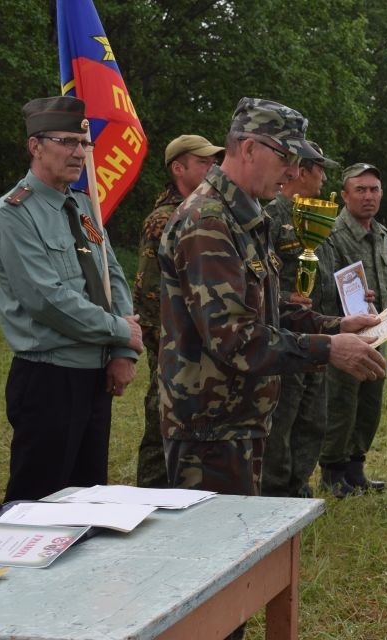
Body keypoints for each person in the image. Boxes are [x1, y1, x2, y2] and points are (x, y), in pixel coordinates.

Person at [158, 97, 386, 500]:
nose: (293, 171)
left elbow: (263, 308)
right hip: (211, 431)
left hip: (239, 421)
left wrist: (334, 325)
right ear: (248, 148)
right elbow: (235, 338)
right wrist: (328, 348)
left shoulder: (242, 215)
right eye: (285, 156)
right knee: (224, 553)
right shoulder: (209, 221)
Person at [0, 96, 143, 503]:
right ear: (35, 146)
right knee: (37, 501)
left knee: (88, 498)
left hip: (95, 375)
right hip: (49, 379)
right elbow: (45, 299)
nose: (79, 152)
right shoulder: (14, 212)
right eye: (67, 142)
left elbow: (113, 276)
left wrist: (123, 349)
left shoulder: (83, 206)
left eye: (83, 143)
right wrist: (118, 329)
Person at [133, 134, 223, 488]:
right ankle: (150, 498)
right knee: (161, 429)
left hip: (199, 348)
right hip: (172, 349)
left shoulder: (204, 211)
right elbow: (149, 293)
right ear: (178, 168)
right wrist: (164, 350)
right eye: (203, 162)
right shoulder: (165, 219)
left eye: (214, 161)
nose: (212, 168)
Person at [318, 162, 387, 498]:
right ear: (344, 195)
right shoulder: (330, 233)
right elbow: (322, 287)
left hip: (379, 335)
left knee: (369, 407)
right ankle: (332, 475)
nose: (368, 196)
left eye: (374, 190)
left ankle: (356, 472)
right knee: (341, 405)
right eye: (360, 190)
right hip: (345, 336)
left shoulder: (381, 235)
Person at [261, 141, 343, 498]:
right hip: (285, 339)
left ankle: (299, 487)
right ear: (304, 170)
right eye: (321, 169)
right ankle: (277, 494)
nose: (324, 177)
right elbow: (258, 281)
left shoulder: (320, 215)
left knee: (313, 420)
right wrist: (283, 301)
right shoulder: (271, 217)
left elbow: (327, 274)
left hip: (318, 334)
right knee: (283, 420)